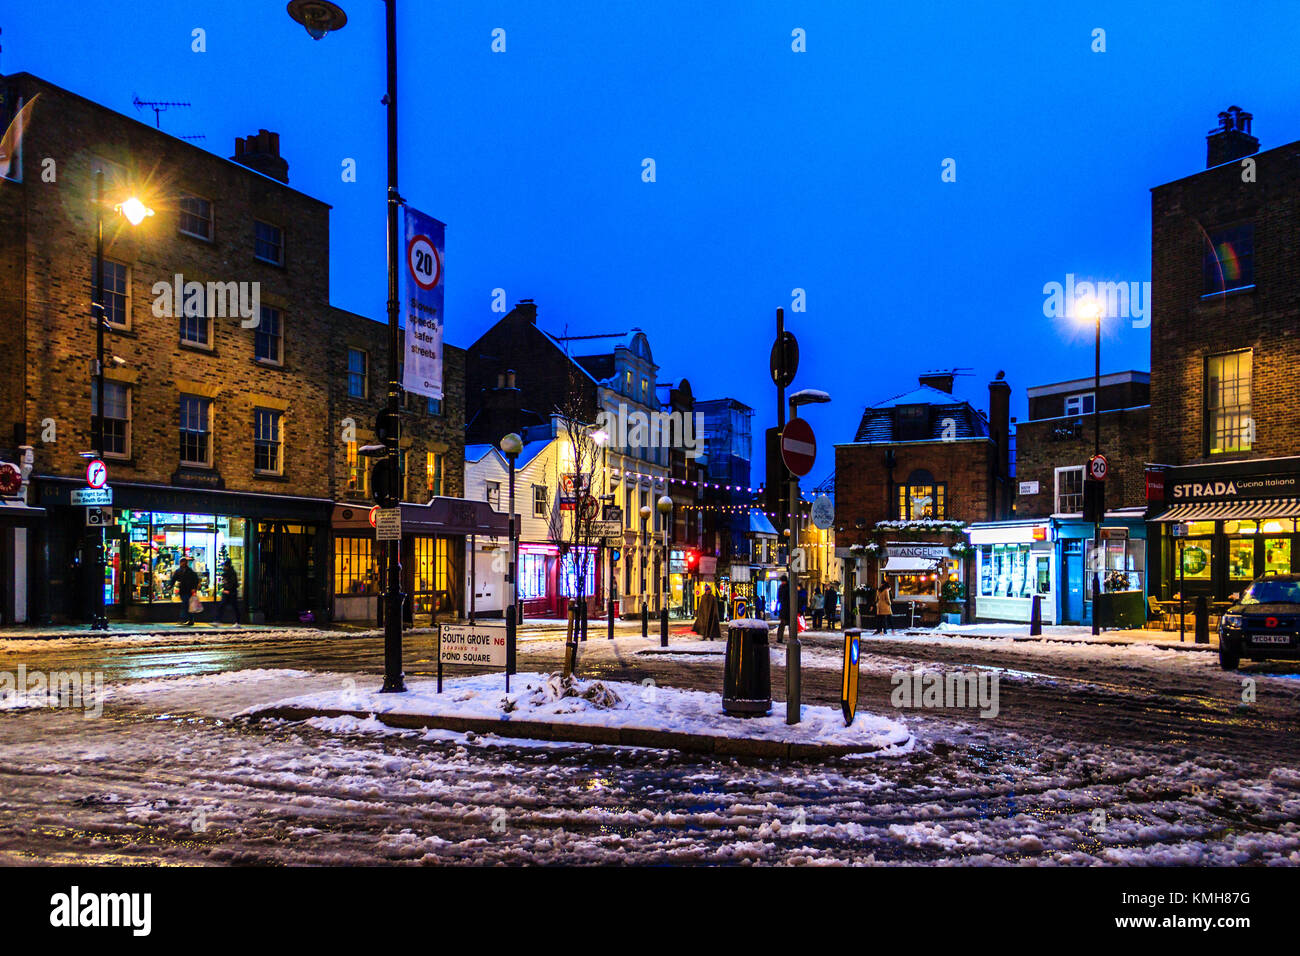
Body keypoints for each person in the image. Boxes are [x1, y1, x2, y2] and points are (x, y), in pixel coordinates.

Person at [171, 556, 200, 626]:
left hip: (188, 590)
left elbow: (195, 580)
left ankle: (183, 619)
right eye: (181, 562)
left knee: (185, 604)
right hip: (184, 590)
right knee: (187, 605)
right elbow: (174, 579)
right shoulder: (180, 571)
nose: (182, 564)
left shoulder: (189, 571)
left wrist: (194, 588)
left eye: (183, 562)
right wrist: (171, 585)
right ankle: (190, 619)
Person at [218, 558, 241, 625]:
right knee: (224, 606)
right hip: (229, 592)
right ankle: (218, 620)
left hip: (230, 593)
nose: (223, 567)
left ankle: (218, 620)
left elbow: (233, 583)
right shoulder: (229, 572)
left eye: (224, 566)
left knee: (227, 606)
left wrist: (227, 589)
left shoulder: (231, 573)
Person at [775, 576, 790, 644]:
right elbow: (778, 599)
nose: (782, 582)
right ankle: (780, 638)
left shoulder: (783, 588)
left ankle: (781, 638)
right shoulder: (786, 587)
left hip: (786, 608)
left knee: (783, 624)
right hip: (785, 608)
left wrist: (776, 609)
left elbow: (779, 599)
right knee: (783, 624)